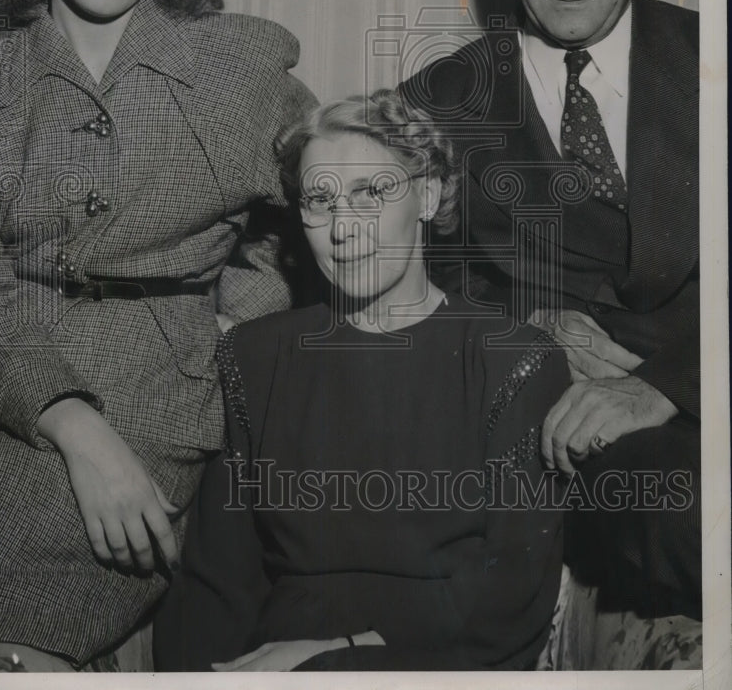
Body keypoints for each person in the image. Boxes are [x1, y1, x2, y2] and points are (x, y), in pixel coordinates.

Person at [0, 0, 315, 671]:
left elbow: (342, 187)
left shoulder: (232, 66)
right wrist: (73, 427)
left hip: (151, 402)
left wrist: (243, 306)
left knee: (9, 625)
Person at [154, 90, 570, 672]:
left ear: (426, 196)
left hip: (436, 664)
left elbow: (512, 590)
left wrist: (339, 655)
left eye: (372, 193)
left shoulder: (514, 359)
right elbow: (216, 582)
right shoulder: (255, 356)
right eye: (319, 201)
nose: (344, 227)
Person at [400, 0, 700, 615]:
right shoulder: (433, 106)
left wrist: (673, 383)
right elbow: (391, 299)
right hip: (580, 444)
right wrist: (529, 325)